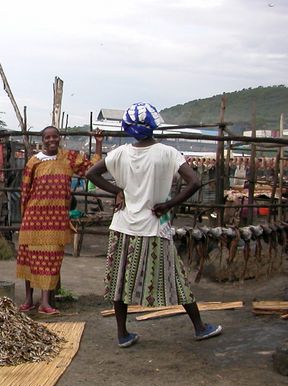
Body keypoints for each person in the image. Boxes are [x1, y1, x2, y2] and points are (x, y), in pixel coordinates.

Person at [85, 102, 222, 348]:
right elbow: (194, 182)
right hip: (155, 226)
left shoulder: (119, 153)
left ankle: (122, 334)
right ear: (153, 126)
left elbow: (91, 174)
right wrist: (169, 205)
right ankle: (200, 328)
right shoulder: (168, 153)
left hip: (122, 226)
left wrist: (117, 191)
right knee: (177, 278)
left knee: (120, 281)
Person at [16, 126, 102, 315]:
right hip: (34, 218)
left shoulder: (69, 158)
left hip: (55, 220)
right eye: (47, 137)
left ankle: (45, 303)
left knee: (50, 259)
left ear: (60, 138)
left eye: (55, 136)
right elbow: (25, 191)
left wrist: (98, 144)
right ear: (42, 140)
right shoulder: (34, 161)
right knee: (29, 258)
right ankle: (28, 300)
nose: (51, 140)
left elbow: (92, 168)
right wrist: (24, 216)